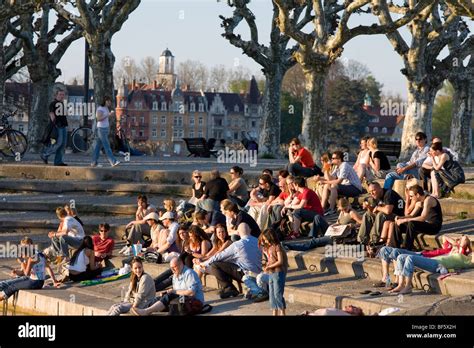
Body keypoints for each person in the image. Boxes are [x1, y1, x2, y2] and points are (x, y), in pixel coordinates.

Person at [195, 212, 262, 299]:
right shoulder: (258, 241)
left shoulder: (237, 244)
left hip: (246, 274)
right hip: (259, 271)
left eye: (222, 232)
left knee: (215, 264)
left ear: (238, 232)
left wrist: (203, 263)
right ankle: (227, 287)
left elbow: (218, 256)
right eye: (219, 232)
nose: (221, 234)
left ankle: (229, 288)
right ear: (249, 230)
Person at [376, 235, 472, 289]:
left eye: (460, 240)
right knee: (385, 250)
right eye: (458, 238)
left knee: (396, 252)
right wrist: (454, 242)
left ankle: (397, 281)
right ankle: (386, 278)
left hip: (427, 259)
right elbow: (444, 237)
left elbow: (466, 239)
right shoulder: (448, 247)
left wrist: (459, 245)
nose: (459, 239)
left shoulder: (460, 252)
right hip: (421, 254)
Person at [390, 241, 473, 294]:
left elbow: (465, 240)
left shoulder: (466, 260)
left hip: (437, 265)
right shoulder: (451, 252)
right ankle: (401, 285)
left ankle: (408, 287)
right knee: (400, 257)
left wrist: (469, 250)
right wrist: (457, 246)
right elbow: (447, 239)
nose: (455, 248)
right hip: (430, 260)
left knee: (410, 258)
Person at [132, 257, 205, 316]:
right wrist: (167, 292)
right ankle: (139, 308)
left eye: (175, 267)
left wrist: (173, 292)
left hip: (194, 302)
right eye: (171, 268)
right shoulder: (175, 275)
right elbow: (177, 291)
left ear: (181, 264)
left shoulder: (189, 273)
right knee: (160, 298)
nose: (173, 269)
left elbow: (191, 292)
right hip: (183, 300)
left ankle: (146, 311)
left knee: (169, 296)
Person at [283, 198, 361, 252]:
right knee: (317, 217)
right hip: (336, 231)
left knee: (314, 242)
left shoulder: (351, 213)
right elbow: (338, 222)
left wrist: (353, 225)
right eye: (341, 209)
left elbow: (361, 222)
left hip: (339, 237)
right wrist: (333, 225)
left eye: (344, 209)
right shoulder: (342, 212)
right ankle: (312, 236)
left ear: (347, 206)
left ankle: (290, 246)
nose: (343, 211)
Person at [0, 237, 61, 303]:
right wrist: (16, 271)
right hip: (34, 280)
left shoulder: (31, 258)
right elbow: (24, 272)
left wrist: (22, 262)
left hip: (35, 282)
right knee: (4, 283)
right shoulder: (39, 254)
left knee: (12, 287)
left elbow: (26, 273)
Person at [394, 185, 443, 250]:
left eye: (411, 196)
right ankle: (398, 245)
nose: (410, 198)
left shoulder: (428, 200)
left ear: (417, 195)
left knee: (412, 223)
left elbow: (422, 218)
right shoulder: (419, 202)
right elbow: (411, 215)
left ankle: (406, 248)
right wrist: (401, 218)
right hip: (425, 225)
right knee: (399, 223)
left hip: (434, 226)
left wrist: (405, 220)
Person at [357, 182, 405, 248]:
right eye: (370, 191)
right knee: (367, 215)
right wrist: (368, 207)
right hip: (388, 216)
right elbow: (374, 212)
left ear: (380, 189)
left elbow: (388, 211)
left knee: (381, 215)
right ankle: (362, 241)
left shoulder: (389, 193)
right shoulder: (376, 196)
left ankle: (374, 242)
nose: (372, 193)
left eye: (373, 190)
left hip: (399, 217)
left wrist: (377, 207)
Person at [317, 151, 363, 216]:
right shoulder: (337, 167)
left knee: (334, 185)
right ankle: (322, 208)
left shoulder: (344, 165)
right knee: (327, 186)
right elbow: (330, 179)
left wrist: (324, 181)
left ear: (339, 159)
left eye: (333, 158)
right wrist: (326, 170)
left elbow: (338, 181)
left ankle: (331, 209)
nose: (331, 160)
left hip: (355, 188)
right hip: (346, 186)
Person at [259, 228, 288, 316]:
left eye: (266, 239)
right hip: (271, 273)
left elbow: (280, 261)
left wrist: (269, 266)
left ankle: (282, 312)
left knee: (278, 294)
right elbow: (266, 260)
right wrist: (265, 266)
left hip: (278, 272)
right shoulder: (267, 248)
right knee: (271, 295)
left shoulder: (277, 246)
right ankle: (274, 311)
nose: (265, 241)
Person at [40, 89, 68, 166]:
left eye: (63, 94)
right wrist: (55, 124)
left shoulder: (62, 104)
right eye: (60, 94)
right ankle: (45, 154)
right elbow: (51, 114)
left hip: (64, 126)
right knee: (58, 143)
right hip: (57, 126)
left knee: (63, 145)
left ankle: (58, 162)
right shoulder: (53, 104)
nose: (62, 96)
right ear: (56, 95)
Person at [91, 96, 120, 167]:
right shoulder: (100, 108)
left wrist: (110, 115)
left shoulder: (106, 108)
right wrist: (108, 114)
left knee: (98, 146)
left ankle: (94, 162)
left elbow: (105, 118)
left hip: (105, 128)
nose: (110, 103)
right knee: (107, 145)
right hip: (101, 129)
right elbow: (99, 118)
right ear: (105, 101)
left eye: (110, 101)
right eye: (108, 101)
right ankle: (113, 161)